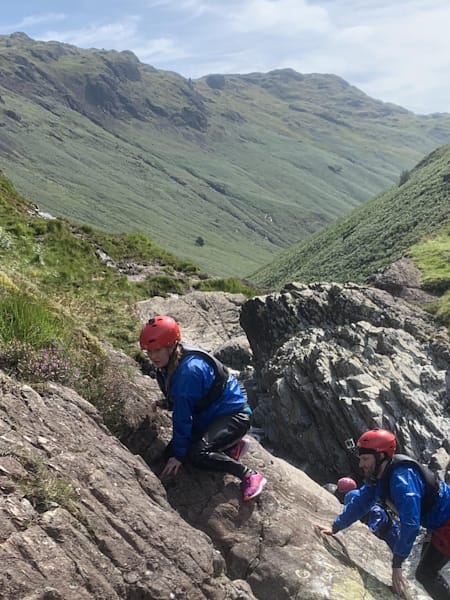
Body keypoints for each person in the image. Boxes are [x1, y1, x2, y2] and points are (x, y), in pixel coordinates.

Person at [139, 315, 267, 502]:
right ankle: (232, 445)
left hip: (233, 416)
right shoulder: (172, 360)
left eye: (157, 350)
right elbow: (192, 397)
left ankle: (249, 475)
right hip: (213, 413)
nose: (152, 356)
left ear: (171, 345)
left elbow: (183, 417)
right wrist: (167, 403)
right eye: (149, 351)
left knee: (196, 455)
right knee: (170, 453)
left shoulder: (189, 371)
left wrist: (179, 456)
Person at [317, 429, 450, 599]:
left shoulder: (402, 480)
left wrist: (397, 563)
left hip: (446, 522)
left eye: (365, 459)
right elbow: (360, 503)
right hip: (439, 522)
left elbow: (411, 524)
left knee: (426, 574)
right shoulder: (379, 477)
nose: (360, 464)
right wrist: (335, 526)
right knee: (426, 573)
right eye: (361, 459)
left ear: (381, 456)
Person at [323, 476, 400, 551]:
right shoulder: (362, 501)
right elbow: (351, 513)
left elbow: (373, 529)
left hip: (391, 534)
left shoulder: (376, 511)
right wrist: (335, 528)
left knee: (397, 552)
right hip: (384, 532)